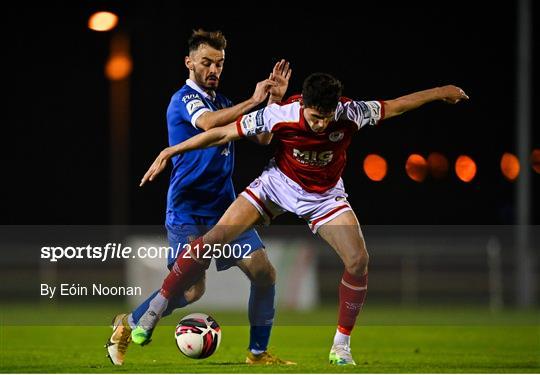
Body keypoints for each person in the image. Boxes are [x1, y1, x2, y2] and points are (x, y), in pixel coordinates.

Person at [139, 73, 469, 365]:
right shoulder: (282, 113)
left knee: (358, 260)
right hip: (276, 186)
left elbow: (396, 105)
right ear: (304, 105)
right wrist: (172, 151)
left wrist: (439, 91)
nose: (321, 124)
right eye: (314, 117)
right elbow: (223, 134)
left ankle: (341, 346)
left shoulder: (350, 112)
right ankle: (153, 312)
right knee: (211, 242)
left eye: (326, 118)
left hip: (324, 197)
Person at [106, 29, 294, 366]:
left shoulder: (224, 103)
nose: (214, 70)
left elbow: (264, 137)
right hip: (188, 208)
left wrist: (274, 101)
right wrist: (253, 101)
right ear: (189, 62)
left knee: (264, 273)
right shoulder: (183, 100)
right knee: (192, 291)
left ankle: (257, 353)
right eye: (207, 62)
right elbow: (208, 124)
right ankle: (128, 323)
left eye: (220, 64)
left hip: (226, 209)